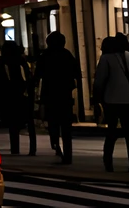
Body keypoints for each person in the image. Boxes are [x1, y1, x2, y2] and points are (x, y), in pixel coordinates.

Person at [92, 34, 129, 172]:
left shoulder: (106, 59)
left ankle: (108, 162)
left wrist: (96, 100)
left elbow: (99, 81)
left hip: (111, 100)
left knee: (111, 132)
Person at [36, 31, 78, 163]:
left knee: (53, 122)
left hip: (50, 94)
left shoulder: (45, 56)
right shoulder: (67, 55)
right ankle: (68, 153)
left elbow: (38, 74)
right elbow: (76, 73)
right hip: (65, 94)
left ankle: (55, 144)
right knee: (66, 127)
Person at [0, 40, 35, 155]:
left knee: (13, 125)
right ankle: (32, 149)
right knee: (29, 122)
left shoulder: (1, 63)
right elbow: (28, 79)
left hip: (8, 97)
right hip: (23, 96)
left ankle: (15, 148)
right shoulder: (21, 61)